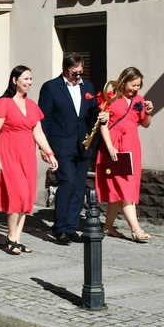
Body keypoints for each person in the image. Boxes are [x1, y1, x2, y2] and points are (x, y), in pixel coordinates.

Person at [0, 66, 58, 254]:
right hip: (8, 155)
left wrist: (50, 153)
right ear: (15, 80)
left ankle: (16, 238)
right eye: (26, 79)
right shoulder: (3, 103)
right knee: (17, 196)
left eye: (31, 79)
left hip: (27, 156)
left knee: (25, 198)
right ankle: (11, 237)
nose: (29, 83)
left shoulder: (32, 105)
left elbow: (38, 132)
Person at [38, 53, 104, 245]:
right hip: (61, 144)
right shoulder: (51, 87)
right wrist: (45, 148)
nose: (78, 77)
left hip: (83, 144)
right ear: (66, 70)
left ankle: (72, 226)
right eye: (75, 73)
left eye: (81, 72)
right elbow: (45, 120)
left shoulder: (88, 86)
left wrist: (102, 116)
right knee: (67, 181)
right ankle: (60, 228)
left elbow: (92, 114)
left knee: (78, 185)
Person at [95, 67, 154, 243]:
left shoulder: (139, 100)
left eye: (138, 85)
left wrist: (149, 112)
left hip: (132, 147)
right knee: (125, 189)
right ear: (124, 81)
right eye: (133, 84)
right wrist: (110, 146)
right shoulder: (111, 97)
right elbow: (102, 124)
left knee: (119, 190)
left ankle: (108, 227)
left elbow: (145, 124)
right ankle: (136, 230)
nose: (136, 88)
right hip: (114, 148)